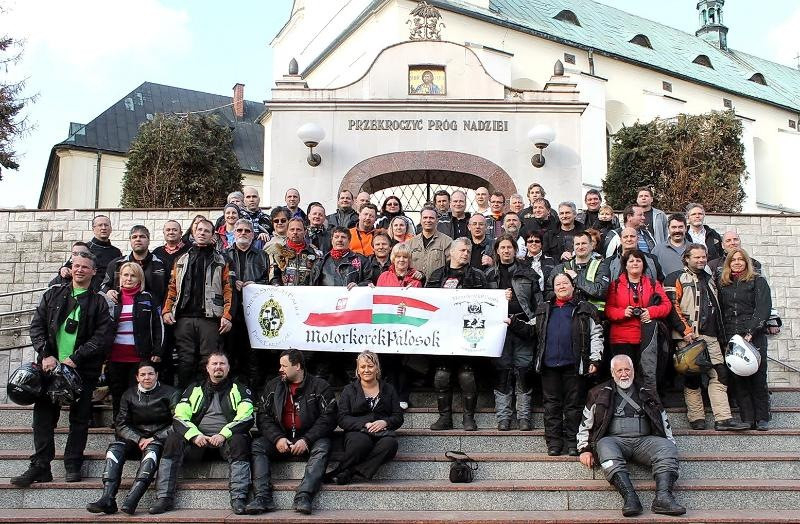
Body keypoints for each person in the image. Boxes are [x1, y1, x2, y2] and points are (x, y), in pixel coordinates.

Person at [12, 251, 113, 486]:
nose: (79, 270)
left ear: (94, 271)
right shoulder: (53, 293)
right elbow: (37, 327)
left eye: (85, 267)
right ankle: (40, 466)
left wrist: (76, 358)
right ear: (71, 268)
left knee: (80, 419)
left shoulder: (100, 301)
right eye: (76, 266)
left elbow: (103, 336)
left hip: (83, 369)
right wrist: (45, 354)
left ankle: (73, 464)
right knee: (43, 418)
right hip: (49, 368)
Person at [576, 355, 685, 517]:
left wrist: (670, 444)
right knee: (603, 445)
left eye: (627, 369)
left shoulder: (647, 391)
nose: (624, 374)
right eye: (619, 370)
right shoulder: (598, 392)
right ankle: (630, 498)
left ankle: (663, 498)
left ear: (633, 371)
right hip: (615, 442)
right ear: (612, 373)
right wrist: (584, 449)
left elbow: (663, 419)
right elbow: (585, 423)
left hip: (644, 442)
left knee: (667, 447)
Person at [509, 273, 602, 455]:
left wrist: (595, 359)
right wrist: (512, 323)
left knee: (574, 407)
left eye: (565, 283)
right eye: (558, 284)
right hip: (549, 366)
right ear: (553, 288)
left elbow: (596, 335)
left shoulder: (585, 308)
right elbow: (531, 329)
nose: (561, 286)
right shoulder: (544, 308)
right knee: (551, 407)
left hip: (575, 365)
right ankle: (554, 444)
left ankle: (573, 443)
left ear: (573, 286)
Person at [150, 352, 254, 515]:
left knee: (240, 440)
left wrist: (223, 435)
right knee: (173, 439)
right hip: (197, 443)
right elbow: (179, 416)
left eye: (222, 363)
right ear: (207, 367)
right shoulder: (194, 389)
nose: (218, 367)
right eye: (214, 364)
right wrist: (195, 435)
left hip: (226, 443)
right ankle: (164, 498)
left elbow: (246, 417)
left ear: (228, 368)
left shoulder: (240, 389)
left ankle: (238, 498)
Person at [664, 244, 749, 431]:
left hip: (711, 336)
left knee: (720, 374)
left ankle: (723, 419)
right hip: (688, 336)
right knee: (692, 377)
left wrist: (722, 336)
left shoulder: (711, 279)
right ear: (686, 258)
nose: (701, 260)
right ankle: (696, 418)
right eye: (697, 257)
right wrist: (685, 331)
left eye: (703, 257)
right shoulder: (675, 277)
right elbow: (671, 306)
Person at [247, 349, 337, 515]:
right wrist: (277, 438)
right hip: (283, 439)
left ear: (297, 366)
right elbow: (263, 417)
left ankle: (304, 496)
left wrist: (307, 439)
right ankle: (262, 497)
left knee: (323, 446)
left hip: (309, 440)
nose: (280, 369)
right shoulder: (273, 386)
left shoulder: (320, 386)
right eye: (280, 365)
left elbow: (329, 418)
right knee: (258, 445)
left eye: (284, 366)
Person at [86, 363, 179, 515]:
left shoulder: (171, 393)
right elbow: (121, 424)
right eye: (143, 374)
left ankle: (132, 499)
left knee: (152, 451)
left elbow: (178, 422)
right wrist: (138, 438)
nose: (147, 377)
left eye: (150, 374)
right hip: (135, 439)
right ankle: (107, 498)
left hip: (160, 439)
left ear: (157, 375)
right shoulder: (128, 395)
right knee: (114, 449)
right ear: (137, 377)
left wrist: (154, 437)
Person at [162, 219, 233, 389]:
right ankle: (185, 397)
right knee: (185, 360)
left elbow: (229, 289)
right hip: (183, 319)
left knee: (208, 360)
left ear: (213, 235)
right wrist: (166, 310)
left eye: (206, 231)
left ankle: (207, 398)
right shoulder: (180, 259)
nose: (202, 233)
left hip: (210, 319)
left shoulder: (222, 260)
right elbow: (172, 287)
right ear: (193, 233)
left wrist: (227, 315)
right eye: (199, 230)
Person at [426, 238, 488, 431]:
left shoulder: (477, 275)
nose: (466, 254)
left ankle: (469, 418)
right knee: (442, 375)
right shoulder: (437, 275)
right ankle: (445, 418)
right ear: (451, 252)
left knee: (467, 375)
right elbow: (427, 300)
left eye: (468, 251)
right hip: (442, 333)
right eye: (462, 250)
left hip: (468, 332)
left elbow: (489, 301)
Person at [484, 234, 539, 431]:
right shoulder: (488, 275)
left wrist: (534, 325)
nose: (506, 250)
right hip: (498, 330)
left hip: (523, 327)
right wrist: (499, 297)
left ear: (515, 250)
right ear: (497, 251)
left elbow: (537, 303)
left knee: (524, 372)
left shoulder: (529, 273)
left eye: (509, 247)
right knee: (502, 373)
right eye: (502, 247)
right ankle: (503, 418)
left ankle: (524, 417)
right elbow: (482, 301)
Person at [326, 351, 403, 484]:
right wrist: (365, 423)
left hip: (382, 433)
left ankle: (348, 472)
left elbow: (398, 417)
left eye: (370, 366)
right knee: (361, 443)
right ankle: (349, 471)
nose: (366, 370)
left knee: (390, 444)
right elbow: (342, 418)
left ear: (377, 368)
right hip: (357, 432)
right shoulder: (349, 390)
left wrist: (385, 422)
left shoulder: (389, 389)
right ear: (358, 369)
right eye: (362, 367)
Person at [718, 248, 772, 430]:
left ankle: (762, 418)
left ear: (746, 262)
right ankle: (747, 418)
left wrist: (751, 331)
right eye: (733, 260)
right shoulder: (723, 284)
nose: (737, 262)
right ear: (728, 263)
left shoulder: (758, 281)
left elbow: (763, 308)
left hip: (753, 336)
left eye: (741, 259)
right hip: (731, 336)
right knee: (738, 379)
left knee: (758, 377)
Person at [105, 262, 164, 421]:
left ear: (140, 279)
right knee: (117, 394)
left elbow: (159, 326)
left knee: (137, 395)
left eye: (133, 275)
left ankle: (136, 427)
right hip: (115, 357)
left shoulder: (148, 298)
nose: (129, 278)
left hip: (139, 357)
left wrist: (158, 350)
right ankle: (119, 426)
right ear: (120, 278)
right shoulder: (112, 298)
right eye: (126, 275)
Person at [604, 250, 671, 388]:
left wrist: (651, 312)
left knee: (645, 376)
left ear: (643, 265)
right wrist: (623, 312)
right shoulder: (615, 285)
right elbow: (608, 310)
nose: (635, 263)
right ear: (625, 265)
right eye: (631, 261)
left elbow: (667, 305)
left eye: (638, 261)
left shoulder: (653, 283)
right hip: (621, 339)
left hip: (646, 338)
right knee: (623, 375)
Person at [376, 243, 423, 408]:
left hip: (407, 326)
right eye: (398, 257)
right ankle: (391, 396)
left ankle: (403, 397)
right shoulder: (384, 276)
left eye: (405, 257)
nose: (401, 260)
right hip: (388, 326)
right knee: (389, 363)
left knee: (404, 362)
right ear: (393, 259)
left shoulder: (416, 279)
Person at [225, 218, 269, 388]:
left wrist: (255, 285)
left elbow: (269, 281)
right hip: (231, 311)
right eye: (239, 230)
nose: (243, 233)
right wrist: (232, 281)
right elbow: (218, 280)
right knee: (230, 350)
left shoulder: (263, 256)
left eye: (247, 231)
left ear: (253, 235)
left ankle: (254, 390)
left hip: (255, 312)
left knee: (254, 354)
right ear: (234, 233)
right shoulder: (224, 255)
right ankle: (230, 388)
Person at [101, 225, 167, 307]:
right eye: (134, 237)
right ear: (130, 241)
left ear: (149, 240)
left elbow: (170, 290)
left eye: (142, 236)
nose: (138, 239)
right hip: (122, 310)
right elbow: (103, 286)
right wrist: (108, 291)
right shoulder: (116, 264)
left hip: (155, 310)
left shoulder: (162, 264)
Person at [546, 231, 610, 313]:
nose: (580, 247)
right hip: (566, 313)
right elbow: (548, 293)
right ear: (573, 247)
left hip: (593, 315)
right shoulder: (560, 268)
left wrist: (575, 278)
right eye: (577, 244)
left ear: (591, 245)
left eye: (584, 243)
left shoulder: (602, 267)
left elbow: (600, 291)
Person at [270, 218, 320, 287]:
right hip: (285, 292)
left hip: (307, 292)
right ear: (287, 232)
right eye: (292, 229)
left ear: (305, 232)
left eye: (298, 229)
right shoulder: (279, 253)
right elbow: (274, 276)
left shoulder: (314, 253)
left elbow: (317, 278)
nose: (295, 232)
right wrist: (277, 286)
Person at [409, 207, 453, 283]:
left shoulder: (447, 242)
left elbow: (451, 267)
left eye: (431, 218)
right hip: (415, 286)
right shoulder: (411, 243)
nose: (428, 220)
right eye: (425, 218)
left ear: (437, 221)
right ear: (420, 220)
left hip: (437, 286)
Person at [87, 215, 123, 291]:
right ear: (93, 229)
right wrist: (63, 269)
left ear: (111, 229)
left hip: (111, 293)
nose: (103, 228)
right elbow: (68, 268)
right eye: (100, 225)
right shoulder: (85, 248)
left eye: (106, 225)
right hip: (90, 292)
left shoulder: (117, 252)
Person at [522, 230, 555, 297]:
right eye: (530, 241)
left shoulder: (551, 261)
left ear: (541, 244)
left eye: (537, 241)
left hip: (547, 298)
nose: (534, 243)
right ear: (526, 245)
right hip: (527, 298)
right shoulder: (521, 262)